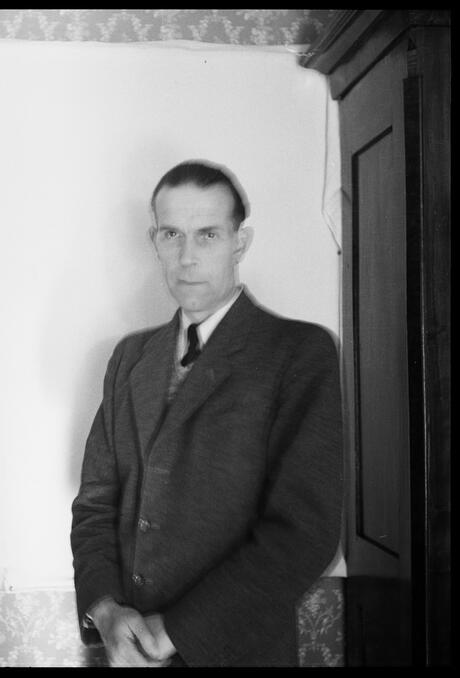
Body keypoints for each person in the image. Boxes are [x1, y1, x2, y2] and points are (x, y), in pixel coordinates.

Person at [70, 160, 343, 667]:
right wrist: (105, 610)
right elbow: (95, 503)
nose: (187, 256)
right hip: (126, 651)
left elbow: (303, 532)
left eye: (208, 235)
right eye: (172, 234)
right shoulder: (129, 358)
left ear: (240, 242)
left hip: (238, 652)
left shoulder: (298, 353)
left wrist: (173, 631)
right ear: (154, 241)